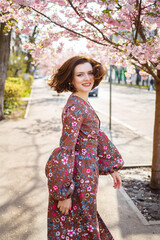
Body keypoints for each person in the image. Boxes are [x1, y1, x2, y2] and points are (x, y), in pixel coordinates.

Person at [45, 56, 124, 240]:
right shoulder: (75, 107)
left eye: (89, 73)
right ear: (71, 79)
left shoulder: (82, 103)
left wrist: (112, 167)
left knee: (84, 222)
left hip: (87, 175)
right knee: (77, 225)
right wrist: (64, 194)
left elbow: (95, 136)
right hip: (77, 178)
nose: (87, 78)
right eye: (80, 74)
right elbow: (65, 149)